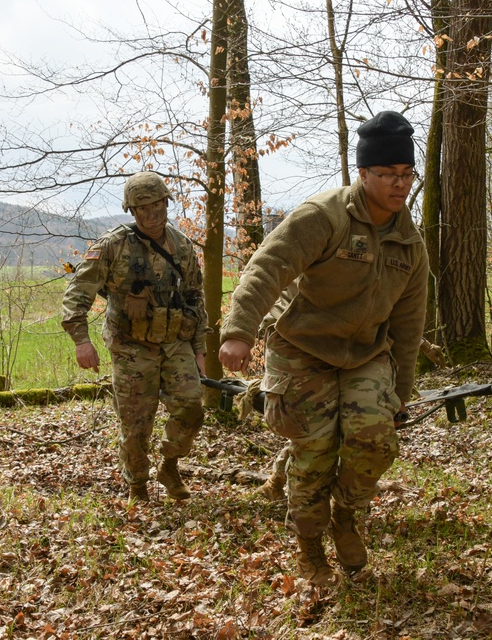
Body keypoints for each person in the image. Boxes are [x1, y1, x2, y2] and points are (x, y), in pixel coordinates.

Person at [218, 110, 428, 586]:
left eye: (406, 175)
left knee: (375, 437)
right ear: (363, 174)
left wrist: (402, 394)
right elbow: (266, 266)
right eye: (388, 175)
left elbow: (410, 326)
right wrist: (239, 330)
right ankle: (309, 546)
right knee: (313, 449)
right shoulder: (325, 216)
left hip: (365, 352)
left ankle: (346, 517)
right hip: (302, 347)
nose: (399, 185)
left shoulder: (409, 243)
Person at [62, 172, 209, 503]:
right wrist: (81, 340)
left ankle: (169, 465)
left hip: (175, 343)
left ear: (166, 203)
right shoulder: (112, 246)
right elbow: (77, 293)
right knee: (136, 425)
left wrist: (200, 349)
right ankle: (138, 486)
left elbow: (195, 299)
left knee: (190, 408)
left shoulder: (182, 246)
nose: (152, 213)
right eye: (143, 207)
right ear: (132, 210)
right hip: (131, 347)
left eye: (158, 204)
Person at [254, 338, 446, 502]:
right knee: (316, 436)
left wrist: (424, 345)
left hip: (359, 366)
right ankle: (281, 485)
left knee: (346, 435)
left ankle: (345, 501)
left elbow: (394, 316)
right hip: (312, 361)